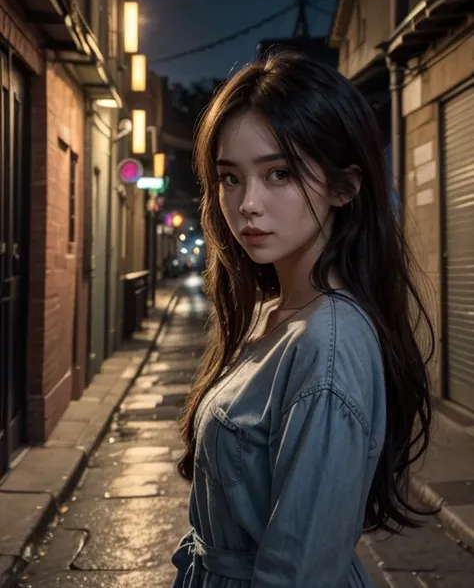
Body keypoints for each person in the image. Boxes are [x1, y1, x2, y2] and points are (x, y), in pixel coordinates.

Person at [171, 50, 434, 588]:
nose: (248, 203)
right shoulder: (273, 311)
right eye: (230, 178)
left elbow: (297, 574)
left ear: (343, 187)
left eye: (280, 173)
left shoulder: (326, 345)